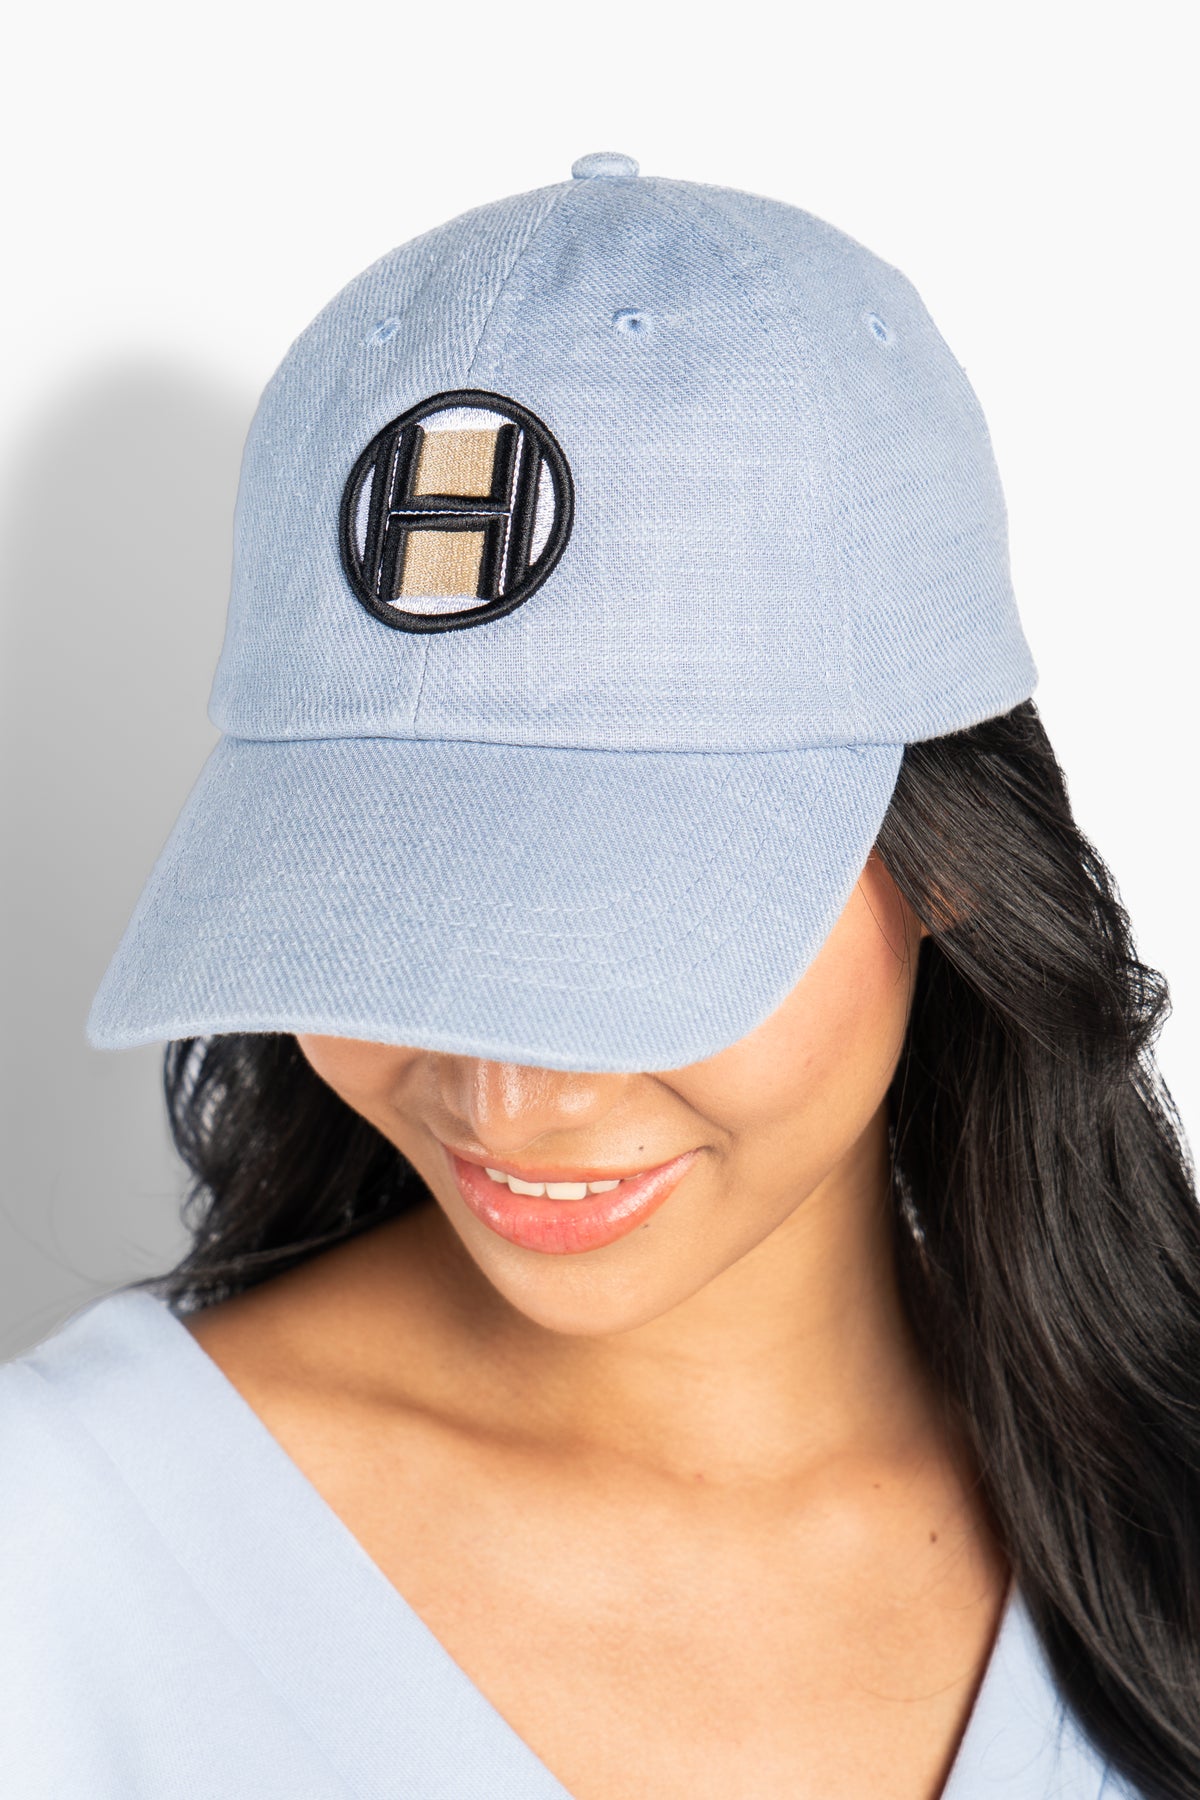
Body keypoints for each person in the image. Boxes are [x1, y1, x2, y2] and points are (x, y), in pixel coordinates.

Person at [1, 152, 1196, 1799]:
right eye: (380, 910)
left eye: (633, 926)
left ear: (955, 860)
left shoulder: (1160, 1482)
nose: (508, 1095)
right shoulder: (54, 1562)